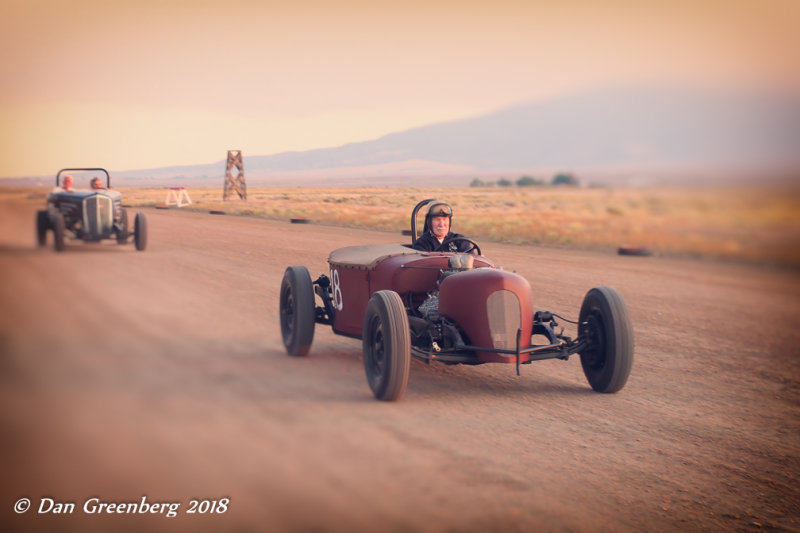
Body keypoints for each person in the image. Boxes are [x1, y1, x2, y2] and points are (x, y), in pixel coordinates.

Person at [412, 201, 476, 253]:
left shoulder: (460, 240)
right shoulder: (422, 244)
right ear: (429, 222)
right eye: (437, 219)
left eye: (445, 219)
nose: (442, 224)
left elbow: (471, 261)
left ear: (449, 221)